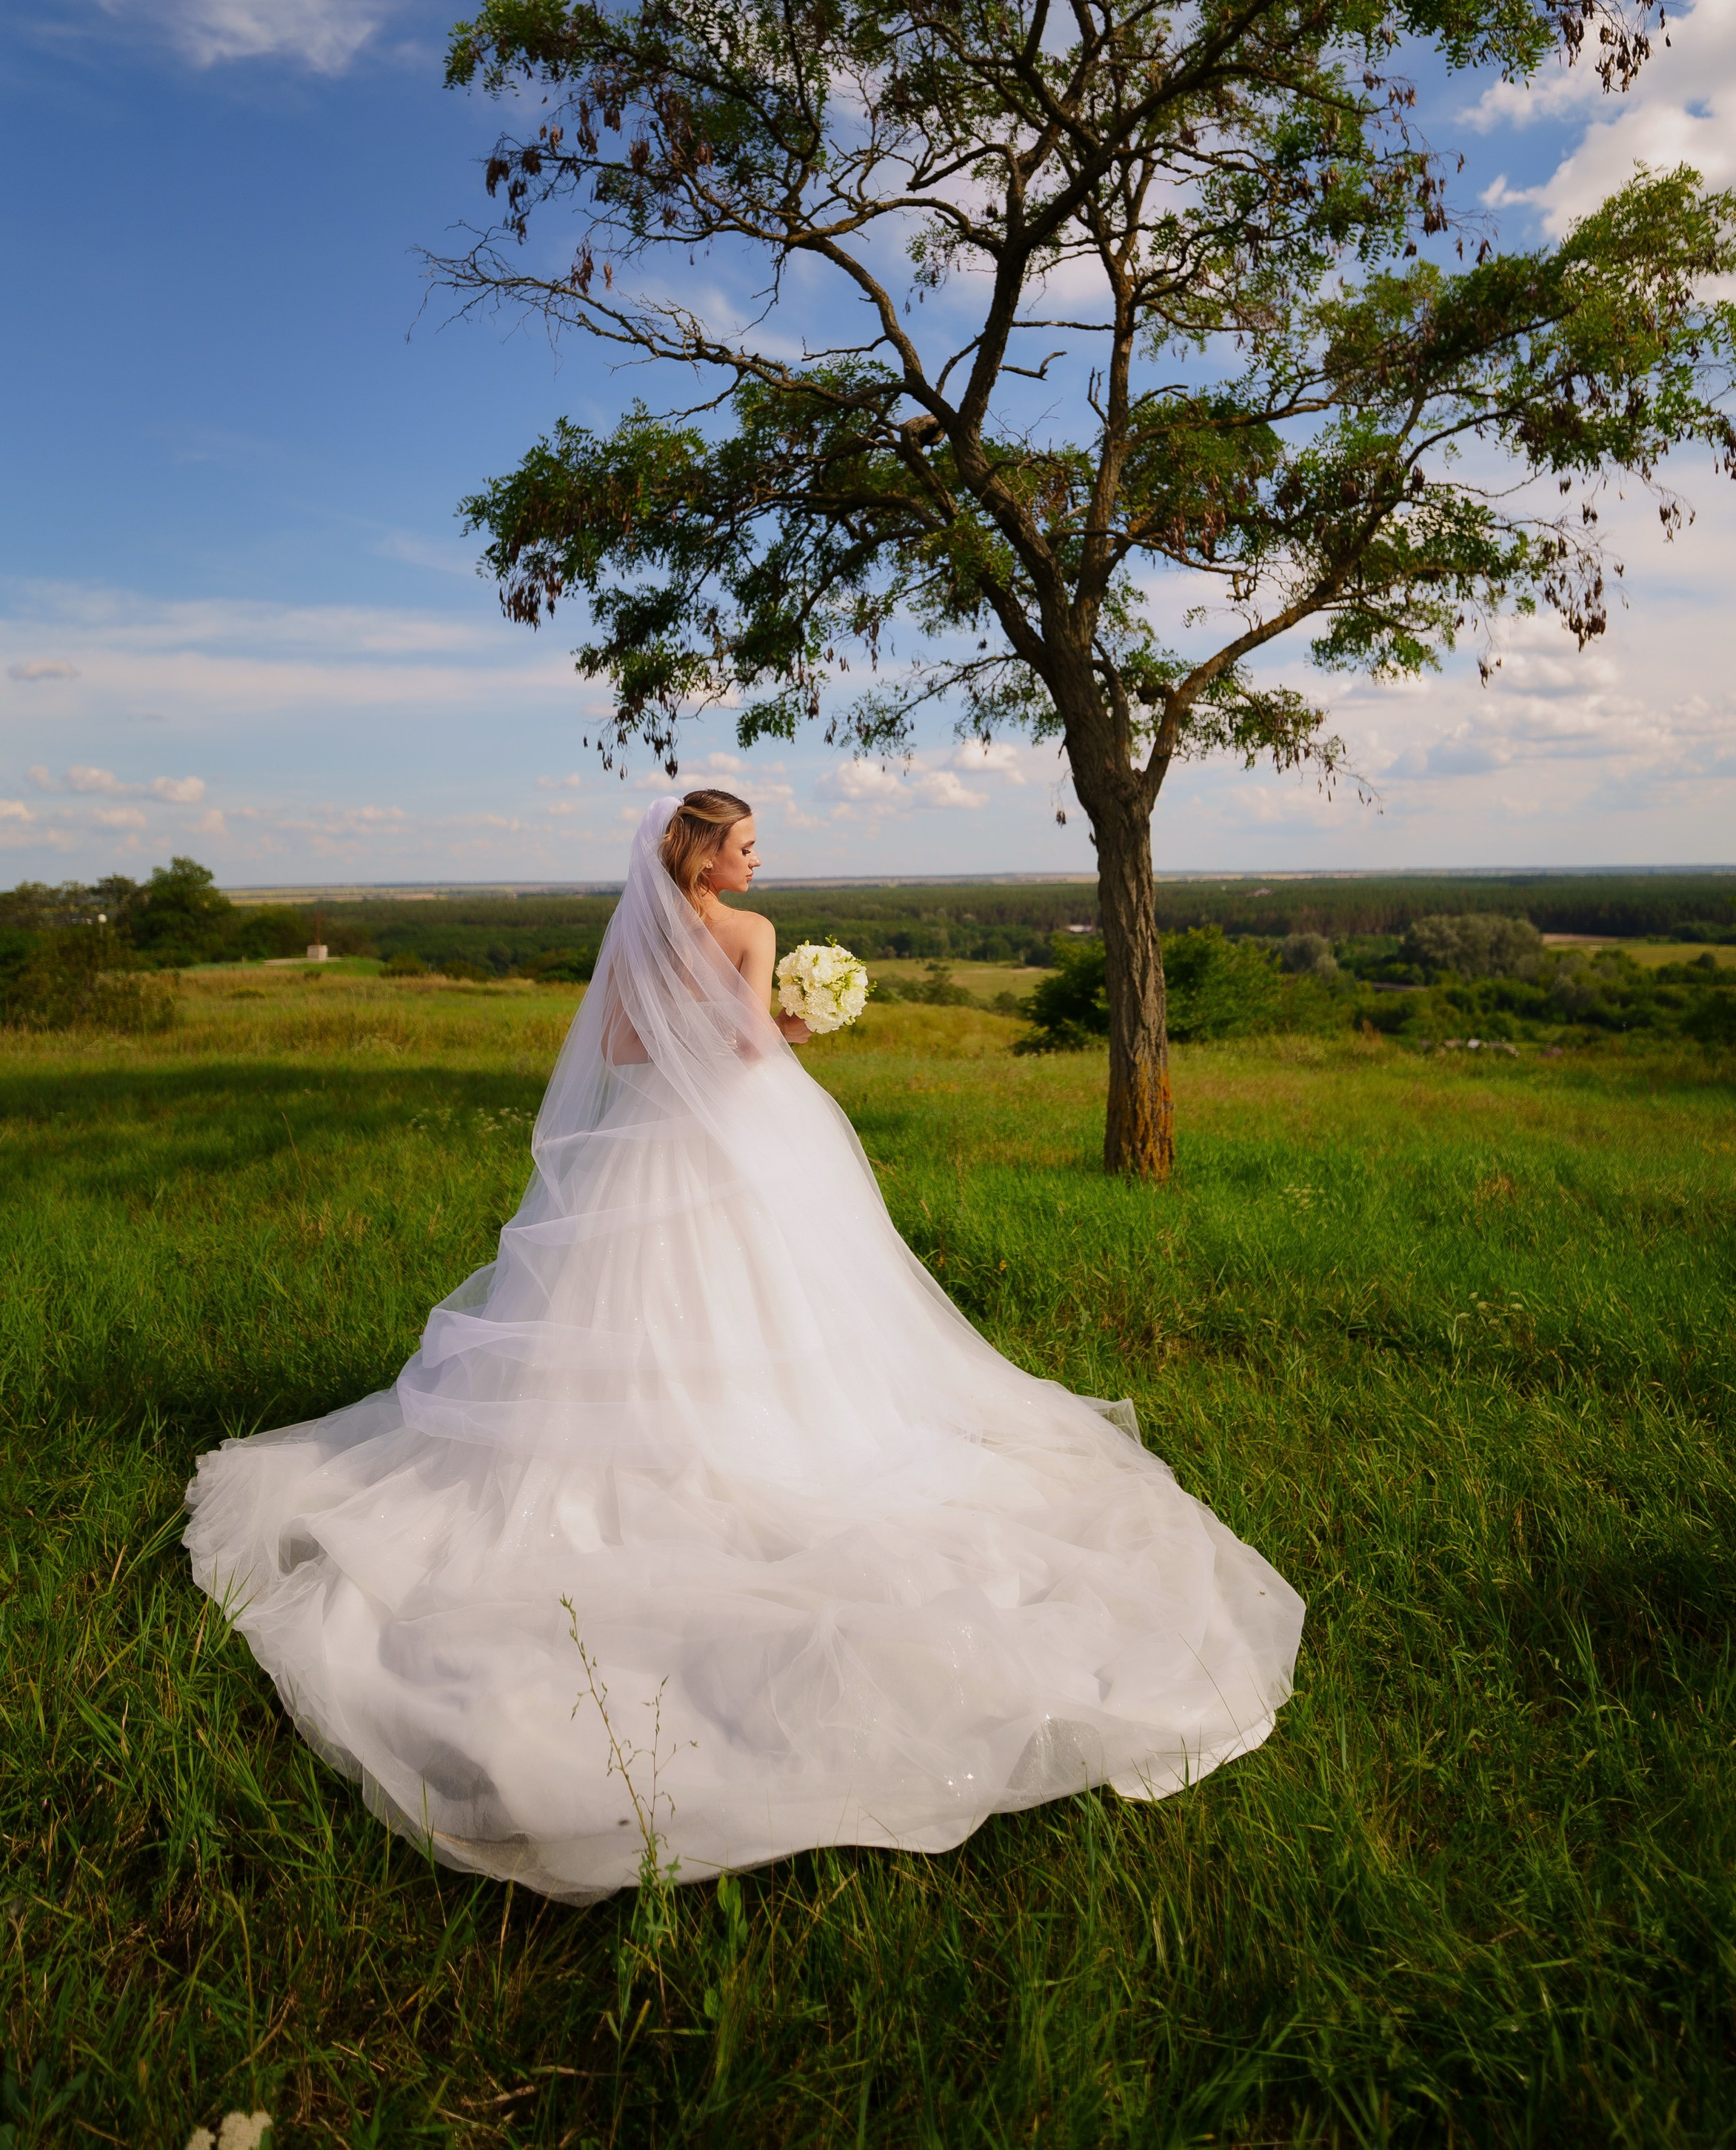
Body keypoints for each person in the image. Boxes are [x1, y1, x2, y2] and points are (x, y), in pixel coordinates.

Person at [185, 790, 1303, 1903]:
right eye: (749, 845)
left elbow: (628, 1046)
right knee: (788, 1301)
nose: (761, 862)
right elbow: (747, 1047)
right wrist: (806, 1023)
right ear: (710, 857)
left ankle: (641, 1442)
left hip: (648, 1140)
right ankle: (767, 1446)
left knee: (633, 1303)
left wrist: (728, 1039)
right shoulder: (750, 937)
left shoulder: (640, 927)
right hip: (739, 1134)